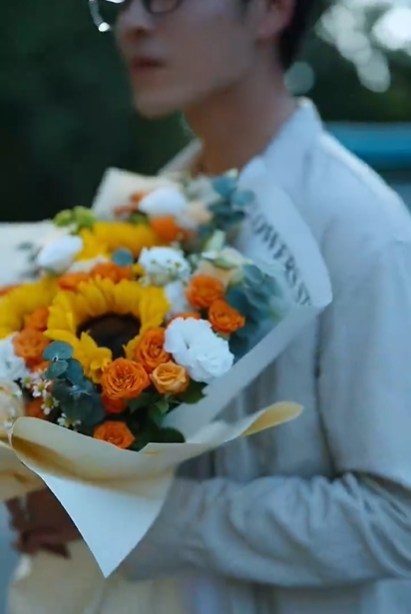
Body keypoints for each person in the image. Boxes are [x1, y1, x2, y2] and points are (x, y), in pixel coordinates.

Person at [8, 0, 411, 612]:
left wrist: (133, 514)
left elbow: (395, 520)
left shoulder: (361, 231)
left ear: (270, 11)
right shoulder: (145, 211)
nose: (132, 22)